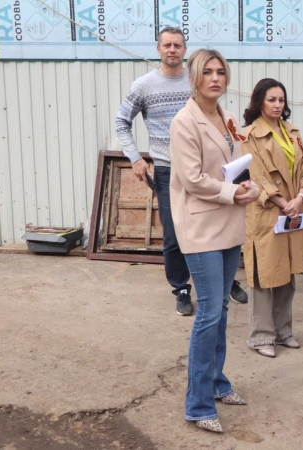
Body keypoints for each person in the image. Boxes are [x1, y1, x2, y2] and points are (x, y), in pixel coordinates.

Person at [115, 27, 248, 316]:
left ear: (185, 50)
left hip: (208, 167)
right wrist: (135, 158)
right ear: (158, 49)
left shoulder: (198, 81)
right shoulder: (144, 86)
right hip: (168, 169)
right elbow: (121, 121)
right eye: (167, 45)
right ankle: (181, 287)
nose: (172, 49)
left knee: (219, 222)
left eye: (177, 45)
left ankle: (224, 280)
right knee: (176, 233)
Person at [169, 49, 261, 433]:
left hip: (229, 221)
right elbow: (192, 179)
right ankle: (198, 404)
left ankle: (218, 382)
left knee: (221, 309)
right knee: (208, 312)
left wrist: (248, 187)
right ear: (194, 77)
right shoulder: (184, 122)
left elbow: (235, 165)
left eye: (220, 72)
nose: (215, 78)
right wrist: (232, 192)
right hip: (202, 226)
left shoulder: (227, 118)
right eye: (207, 72)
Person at [241, 78, 303, 358]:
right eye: (271, 99)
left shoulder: (292, 132)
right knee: (264, 275)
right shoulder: (249, 136)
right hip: (266, 212)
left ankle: (283, 331)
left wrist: (300, 197)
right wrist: (284, 203)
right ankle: (261, 336)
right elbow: (256, 176)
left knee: (287, 273)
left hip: (293, 210)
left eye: (281, 100)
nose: (277, 105)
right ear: (259, 101)